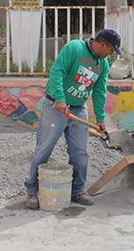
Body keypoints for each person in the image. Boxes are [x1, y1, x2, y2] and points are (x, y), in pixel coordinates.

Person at [24, 28, 122, 210]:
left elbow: (100, 91)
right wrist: (60, 99)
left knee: (80, 152)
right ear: (102, 44)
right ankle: (31, 191)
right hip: (56, 107)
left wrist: (100, 118)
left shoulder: (103, 64)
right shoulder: (74, 48)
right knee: (44, 148)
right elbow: (57, 72)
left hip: (78, 109)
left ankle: (77, 190)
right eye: (110, 50)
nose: (111, 54)